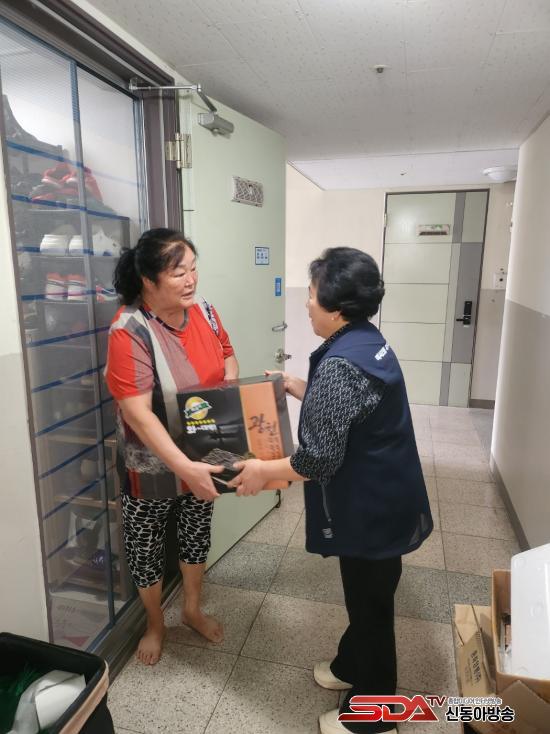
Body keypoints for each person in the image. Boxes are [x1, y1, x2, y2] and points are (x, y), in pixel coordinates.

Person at [229, 247, 433, 734]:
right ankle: (350, 665)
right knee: (367, 597)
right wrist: (302, 386)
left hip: (371, 507)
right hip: (385, 495)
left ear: (337, 309)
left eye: (313, 296)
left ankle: (375, 716)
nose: (306, 304)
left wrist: (261, 471)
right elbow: (355, 406)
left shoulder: (344, 365)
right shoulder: (366, 340)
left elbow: (317, 460)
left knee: (371, 607)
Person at [104, 228, 238, 665]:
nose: (191, 280)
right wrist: (184, 467)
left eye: (194, 269)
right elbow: (138, 414)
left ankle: (192, 610)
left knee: (196, 532)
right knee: (146, 544)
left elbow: (227, 355)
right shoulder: (130, 330)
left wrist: (228, 393)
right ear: (149, 279)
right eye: (179, 272)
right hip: (150, 464)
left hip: (203, 453)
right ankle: (155, 622)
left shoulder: (206, 312)